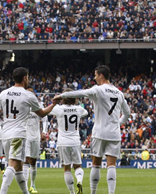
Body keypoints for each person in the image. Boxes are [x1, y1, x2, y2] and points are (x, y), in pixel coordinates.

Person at [53, 65, 130, 194]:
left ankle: (93, 192)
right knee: (111, 165)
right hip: (114, 133)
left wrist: (62, 95)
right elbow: (127, 113)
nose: (94, 78)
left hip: (99, 132)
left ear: (101, 75)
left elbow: (81, 92)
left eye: (95, 75)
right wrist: (118, 124)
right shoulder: (119, 93)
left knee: (96, 164)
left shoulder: (98, 90)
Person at [0, 67, 58, 194]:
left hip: (5, 134)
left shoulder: (3, 93)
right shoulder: (28, 95)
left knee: (19, 167)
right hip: (18, 134)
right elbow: (42, 114)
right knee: (13, 165)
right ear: (25, 78)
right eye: (28, 77)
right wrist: (53, 104)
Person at [50, 88, 89, 194]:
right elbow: (86, 113)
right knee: (77, 166)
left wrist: (55, 102)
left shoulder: (58, 109)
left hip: (63, 142)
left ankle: (72, 192)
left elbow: (48, 110)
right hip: (75, 141)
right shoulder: (79, 109)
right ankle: (79, 181)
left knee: (67, 169)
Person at [24, 86, 43, 194]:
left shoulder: (38, 105)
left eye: (32, 92)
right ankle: (26, 187)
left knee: (33, 162)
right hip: (26, 136)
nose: (30, 94)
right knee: (26, 160)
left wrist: (44, 131)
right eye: (28, 92)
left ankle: (33, 185)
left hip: (36, 136)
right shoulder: (22, 105)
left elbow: (44, 119)